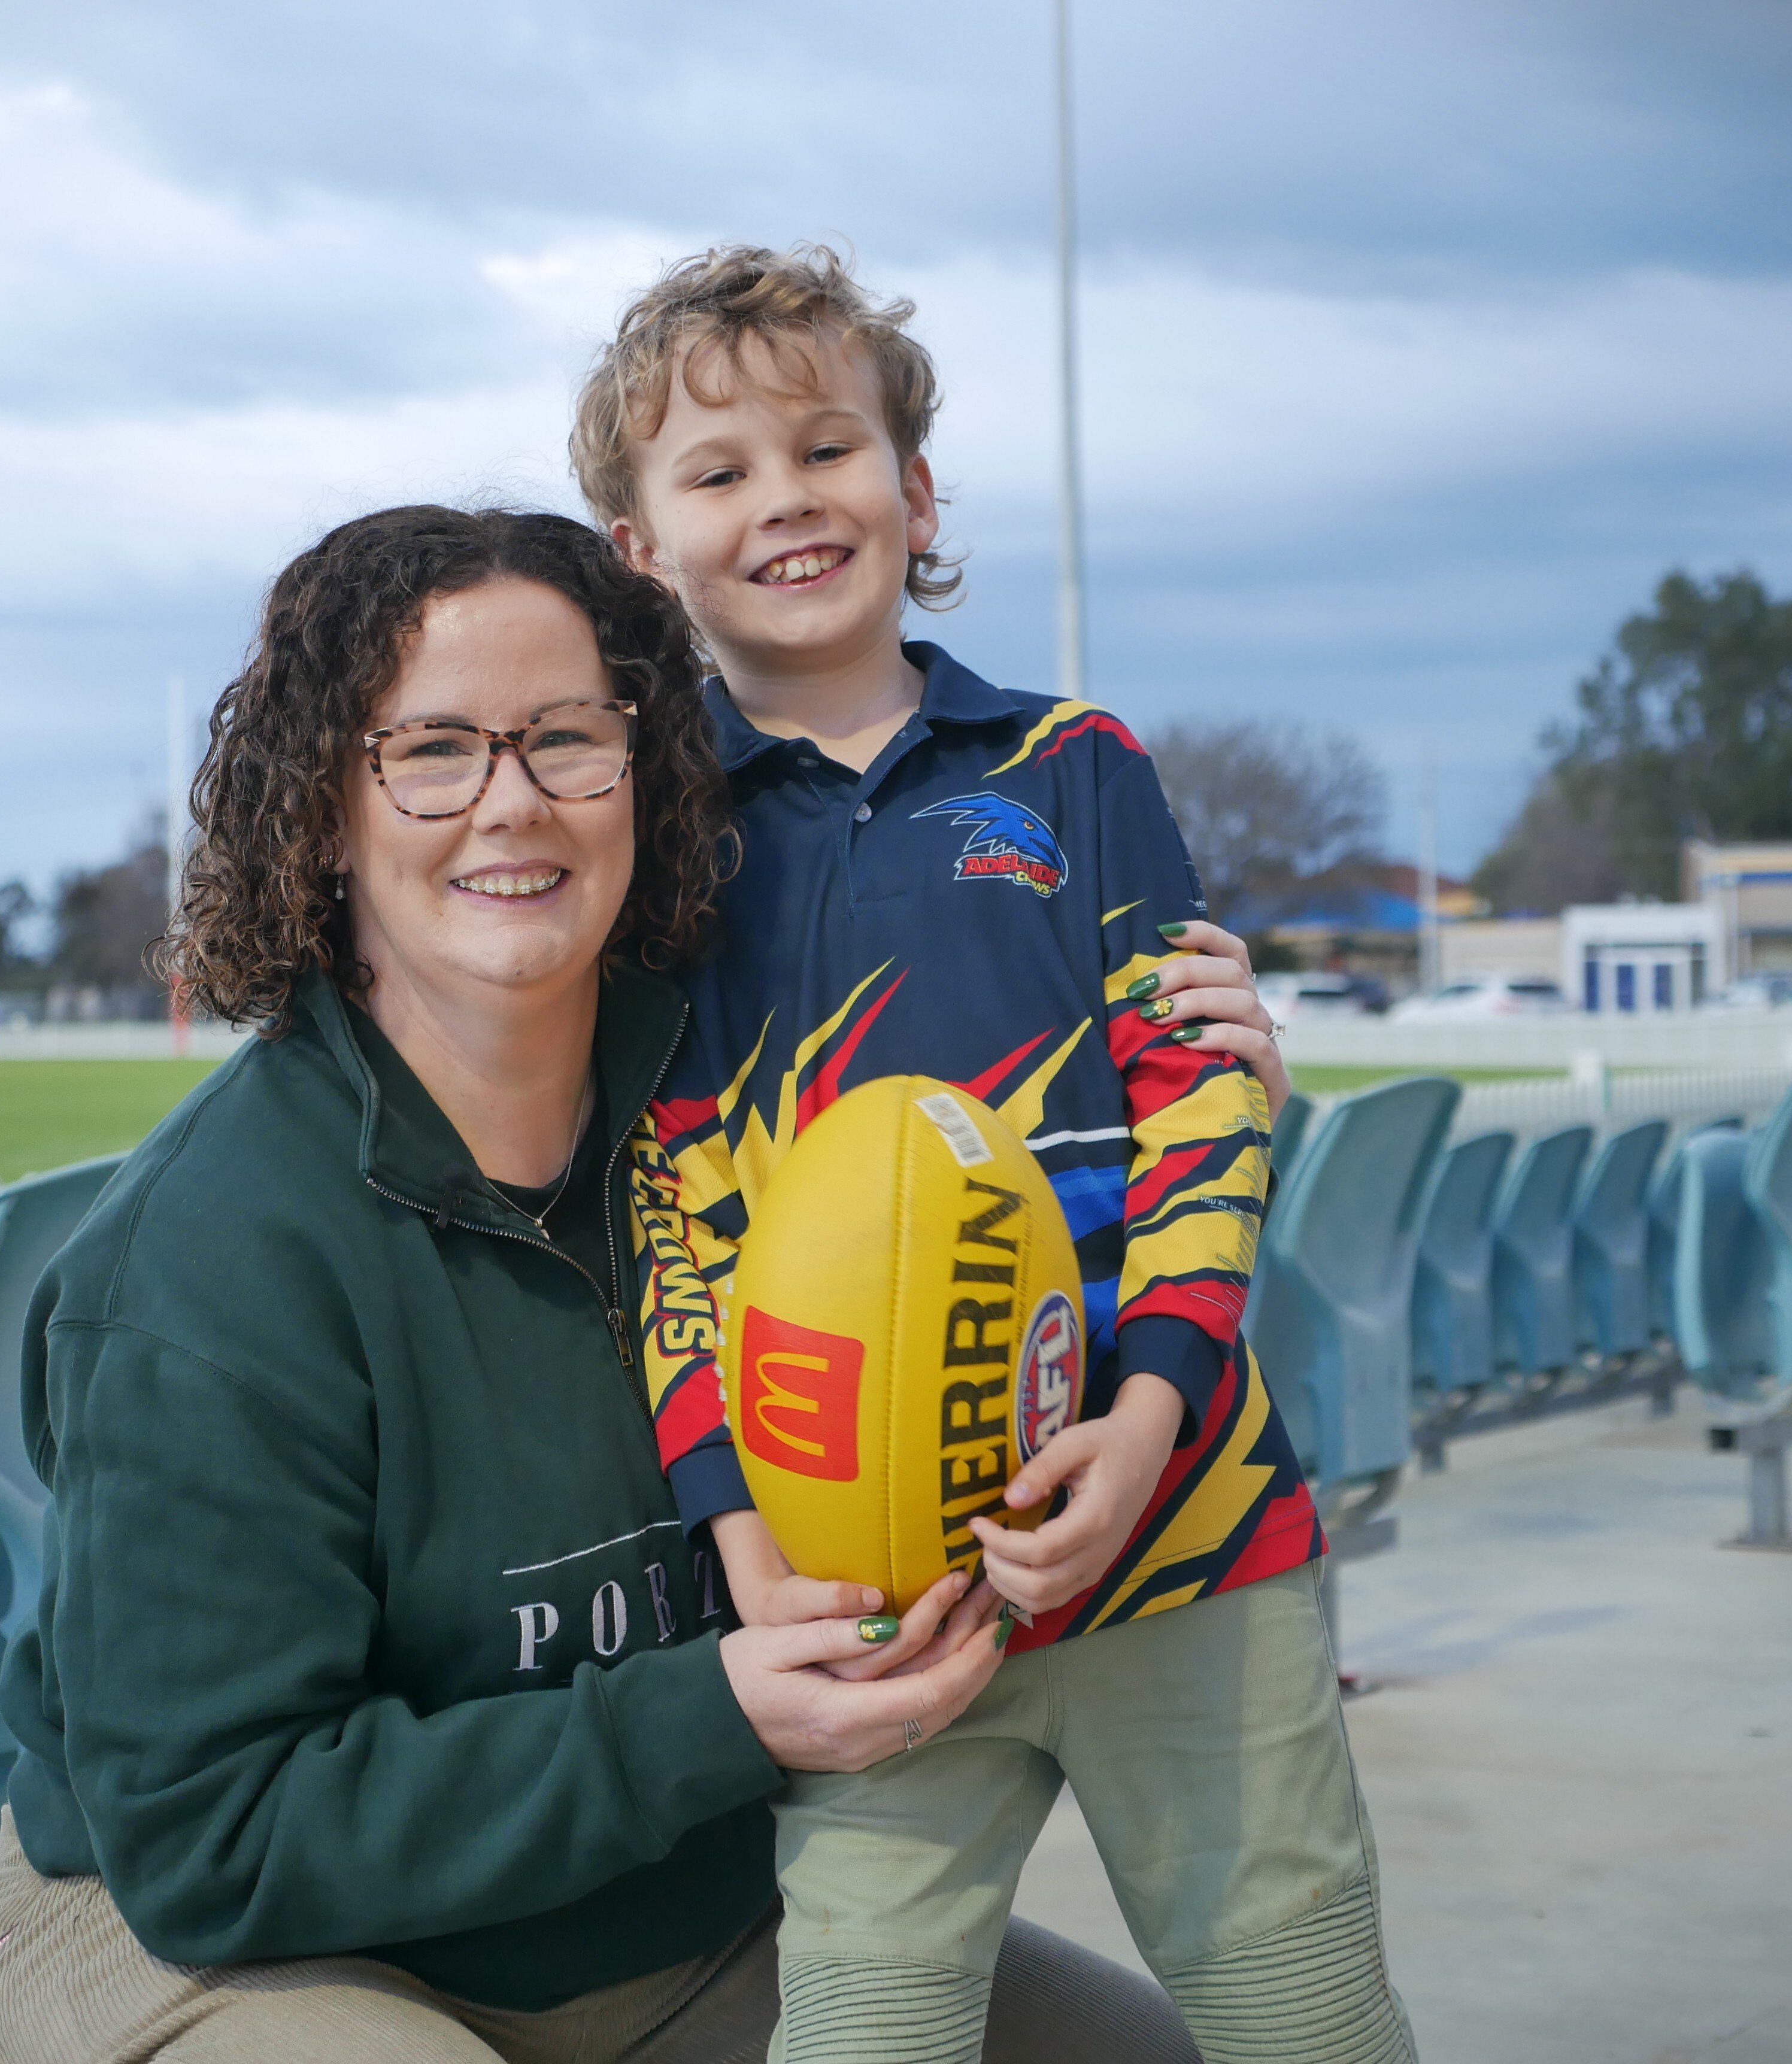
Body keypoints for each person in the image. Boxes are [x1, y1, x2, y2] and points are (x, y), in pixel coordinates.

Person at [0, 505, 1216, 2064]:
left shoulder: (767, 1120)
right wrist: (708, 1719)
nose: (512, 804)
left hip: (663, 1917)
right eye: (434, 751)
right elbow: (217, 1839)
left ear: (645, 773)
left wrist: (1194, 1069)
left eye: (564, 740)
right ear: (326, 810)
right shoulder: (206, 1261)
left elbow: (1053, 1120)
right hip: (211, 1939)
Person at [578, 248, 1417, 2062]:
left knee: (1301, 2007)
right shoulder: (659, 849)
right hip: (861, 1575)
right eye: (717, 473)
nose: (787, 500)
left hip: (1179, 1527)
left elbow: (1202, 1101)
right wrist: (740, 1525)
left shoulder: (1071, 767)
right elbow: (676, 1227)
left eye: (828, 448)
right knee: (866, 2026)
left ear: (918, 491)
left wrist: (1151, 1413)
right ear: (640, 550)